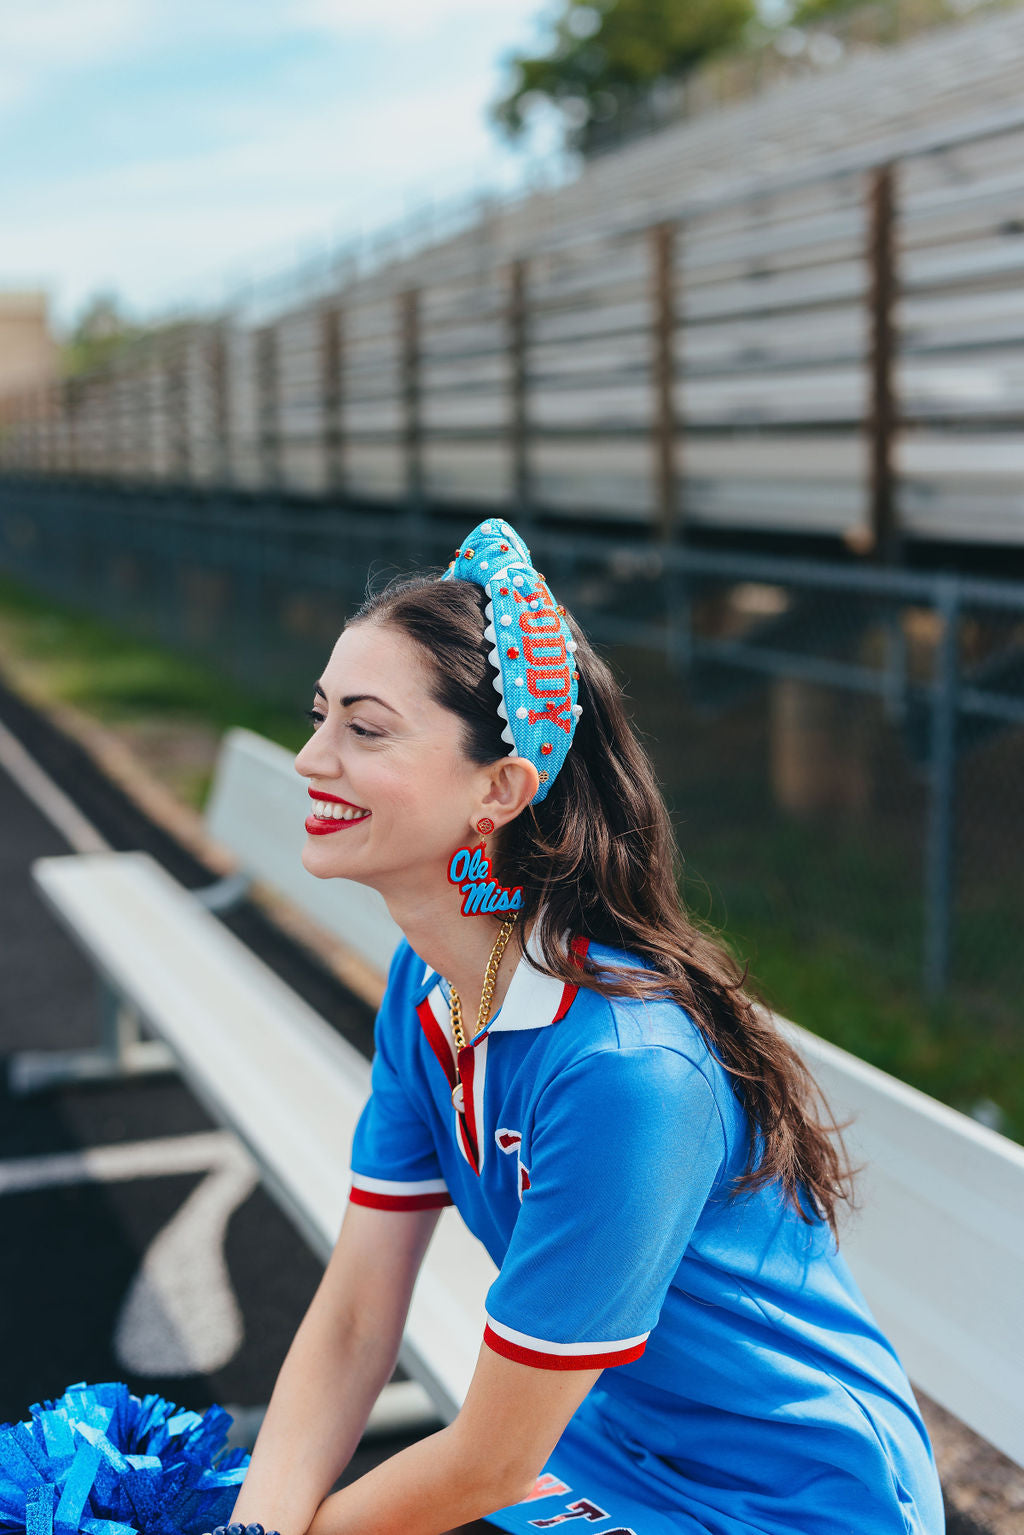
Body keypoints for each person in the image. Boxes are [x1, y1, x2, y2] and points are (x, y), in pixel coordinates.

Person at [224, 518, 945, 1535]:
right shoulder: (424, 990)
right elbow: (351, 1319)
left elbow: (489, 1457)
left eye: (363, 728)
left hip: (794, 1500)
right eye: (318, 716)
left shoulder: (623, 1067)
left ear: (500, 790)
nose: (311, 757)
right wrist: (253, 1524)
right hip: (612, 1445)